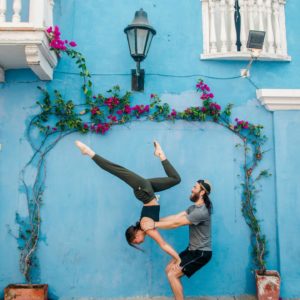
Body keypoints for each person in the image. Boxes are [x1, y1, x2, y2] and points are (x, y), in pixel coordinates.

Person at [75, 140, 182, 266]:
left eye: (135, 241)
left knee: (118, 171)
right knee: (176, 179)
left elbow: (163, 244)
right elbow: (167, 221)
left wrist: (178, 259)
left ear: (135, 235)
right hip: (148, 191)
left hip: (144, 191)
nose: (139, 242)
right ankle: (160, 154)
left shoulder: (147, 228)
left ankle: (89, 152)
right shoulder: (147, 226)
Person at [141, 179, 213, 300]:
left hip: (201, 253)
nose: (192, 189)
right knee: (169, 269)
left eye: (195, 187)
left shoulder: (202, 211)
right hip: (192, 250)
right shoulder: (193, 208)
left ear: (202, 192)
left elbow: (177, 223)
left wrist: (154, 225)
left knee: (172, 274)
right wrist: (155, 221)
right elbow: (175, 217)